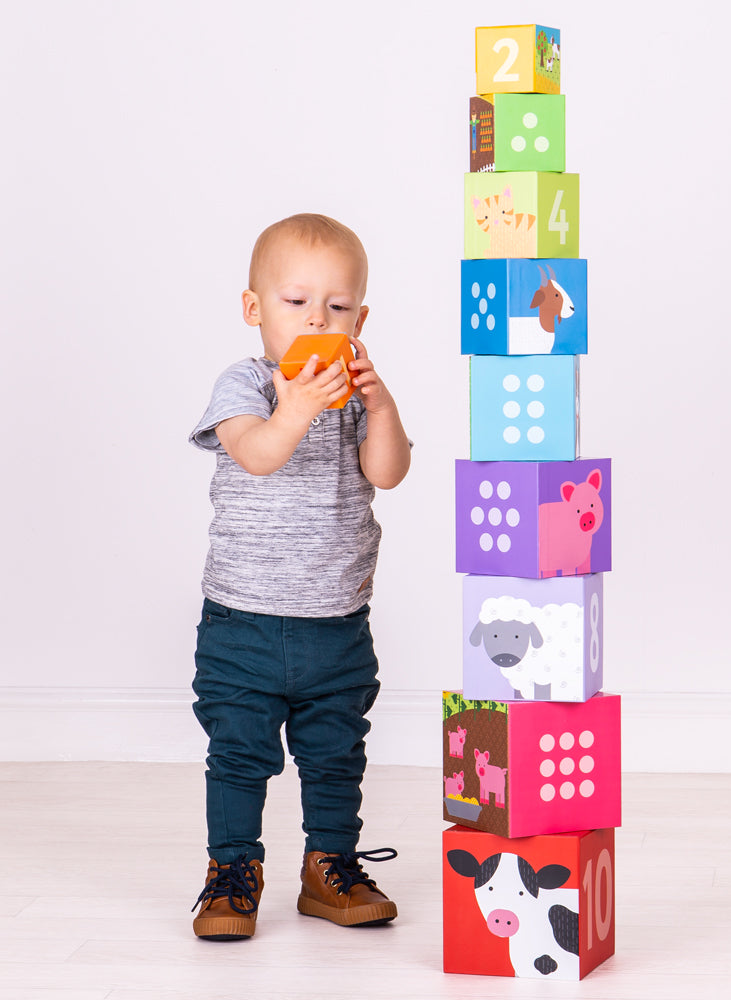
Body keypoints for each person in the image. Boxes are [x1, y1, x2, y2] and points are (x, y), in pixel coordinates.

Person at [188, 213, 411, 941]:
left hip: (337, 623)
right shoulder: (245, 384)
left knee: (336, 753)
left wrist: (381, 405)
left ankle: (330, 866)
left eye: (338, 307)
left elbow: (389, 473)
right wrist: (297, 406)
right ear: (254, 309)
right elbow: (257, 454)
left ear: (359, 321)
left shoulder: (354, 396)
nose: (318, 319)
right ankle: (232, 872)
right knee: (239, 753)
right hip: (243, 621)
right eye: (296, 302)